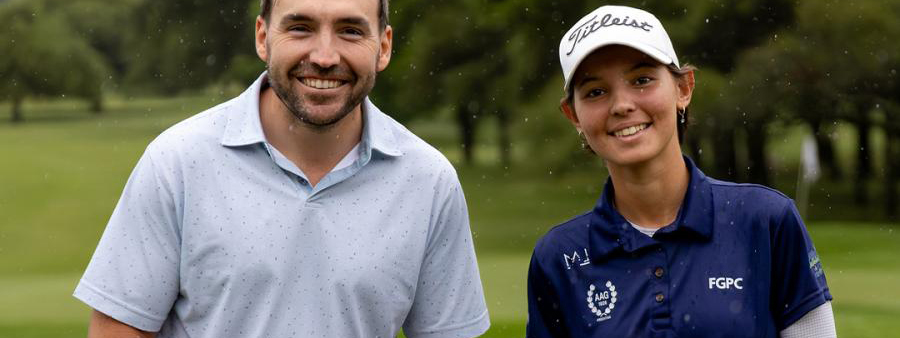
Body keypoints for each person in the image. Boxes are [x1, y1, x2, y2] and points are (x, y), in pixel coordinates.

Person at [74, 0, 490, 337]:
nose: (325, 57)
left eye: (350, 30)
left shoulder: (429, 182)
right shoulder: (177, 162)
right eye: (300, 27)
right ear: (262, 37)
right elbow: (118, 329)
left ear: (383, 47)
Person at [526, 5, 835, 338]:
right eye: (596, 92)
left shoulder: (766, 221)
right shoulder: (559, 257)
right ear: (573, 114)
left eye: (642, 80)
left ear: (683, 88)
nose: (622, 105)